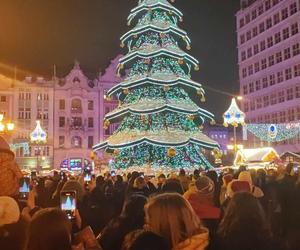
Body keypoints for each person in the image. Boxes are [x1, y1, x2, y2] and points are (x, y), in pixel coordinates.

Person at [145, 193, 209, 250]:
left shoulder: (149, 243)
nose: (146, 222)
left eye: (150, 217)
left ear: (164, 222)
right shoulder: (208, 241)